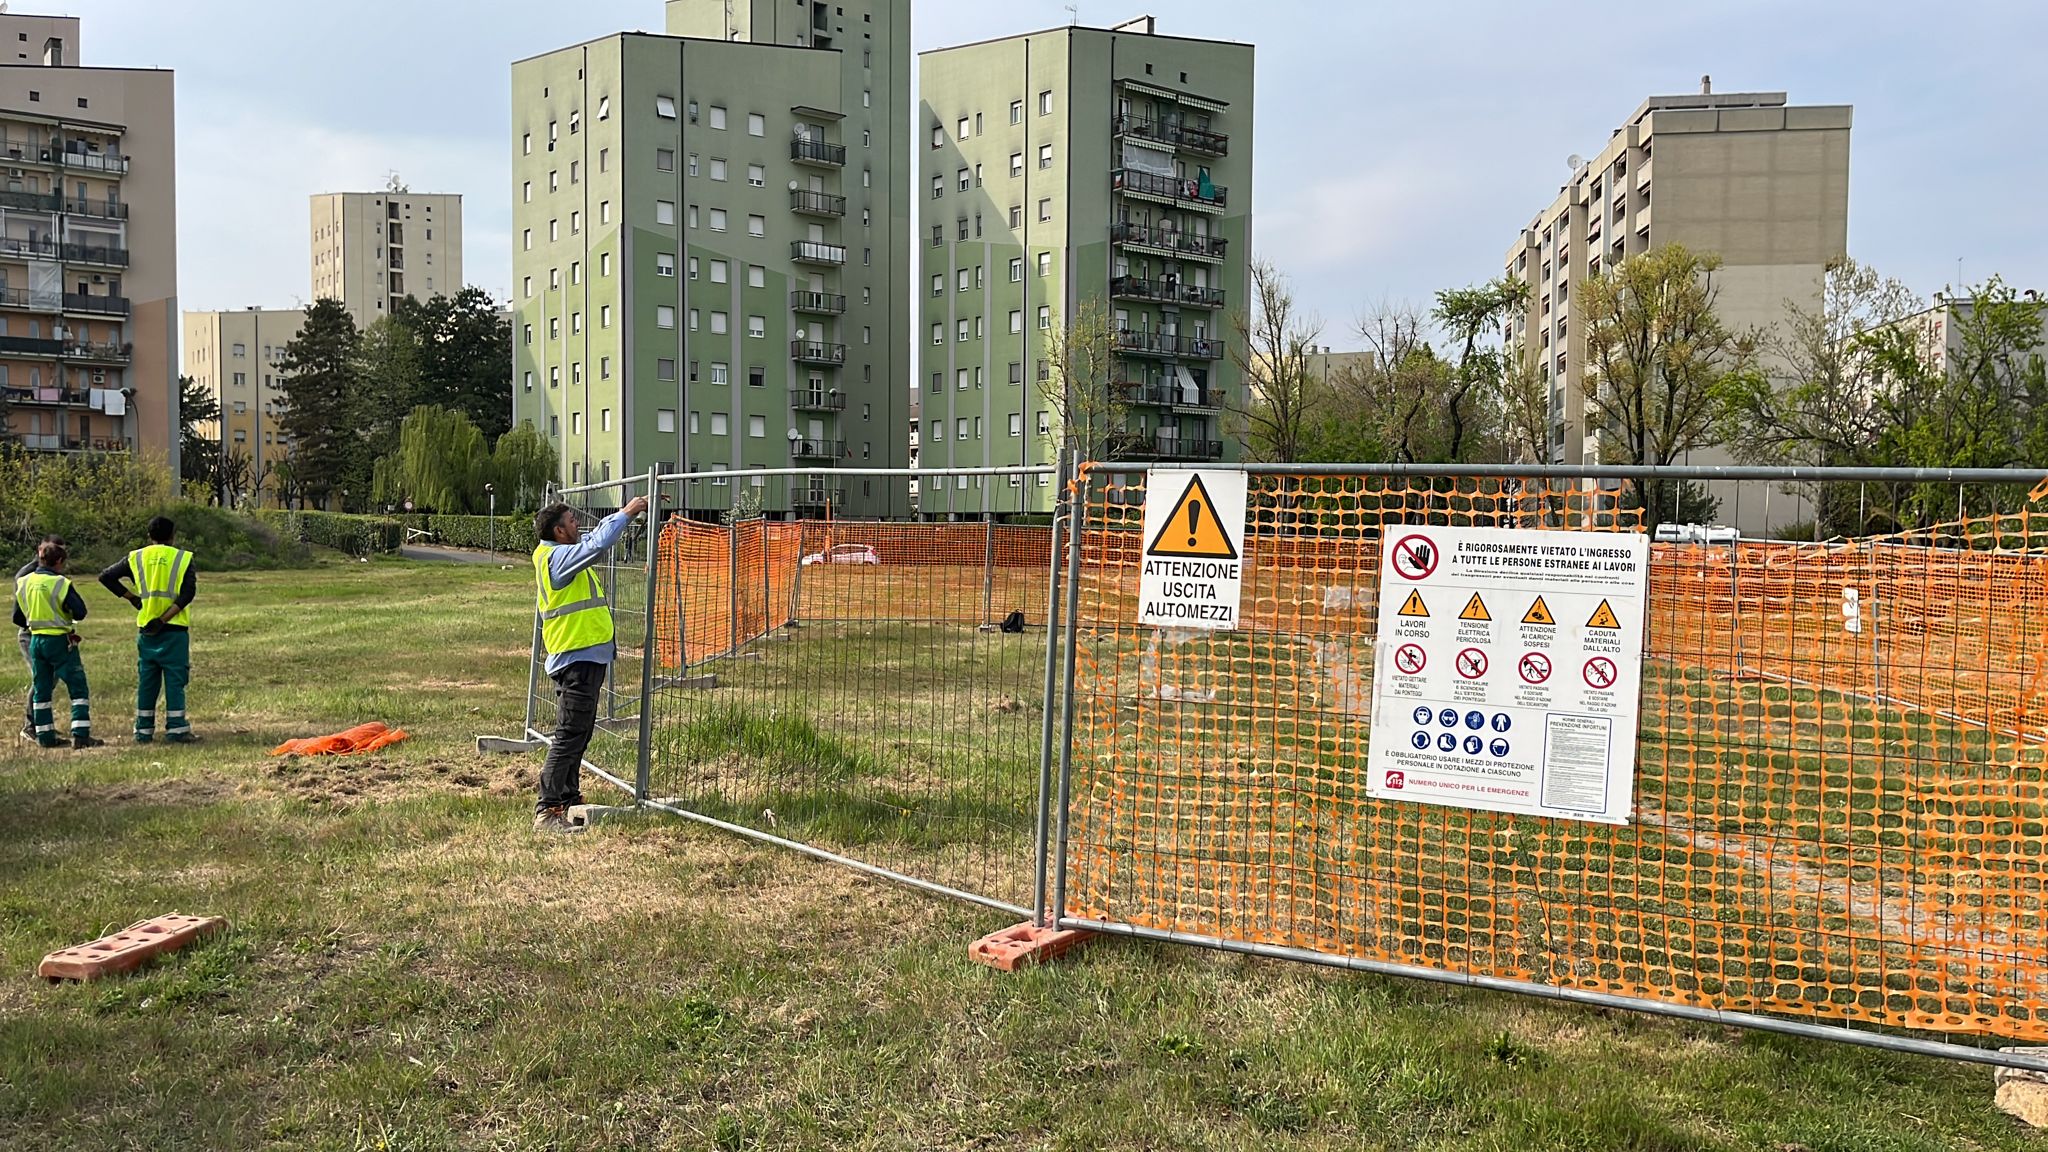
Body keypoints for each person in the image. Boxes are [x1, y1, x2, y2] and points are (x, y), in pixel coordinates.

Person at [530, 495, 648, 833]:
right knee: (569, 734)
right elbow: (597, 544)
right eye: (571, 520)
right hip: (576, 656)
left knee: (578, 732)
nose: (577, 523)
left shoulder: (557, 554)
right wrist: (627, 512)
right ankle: (547, 810)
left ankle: (567, 798)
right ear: (559, 530)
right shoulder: (556, 558)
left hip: (583, 655)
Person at [100, 515, 198, 744]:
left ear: (149, 536)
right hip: (173, 629)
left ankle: (143, 730)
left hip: (146, 629)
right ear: (172, 536)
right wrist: (164, 619)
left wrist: (132, 598)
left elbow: (106, 576)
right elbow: (187, 594)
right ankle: (176, 729)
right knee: (175, 680)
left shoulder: (136, 557)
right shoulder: (182, 558)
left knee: (147, 681)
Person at [12, 540, 100, 749]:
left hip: (35, 639)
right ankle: (81, 735)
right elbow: (80, 612)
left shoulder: (24, 582)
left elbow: (17, 617)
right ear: (59, 561)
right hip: (59, 640)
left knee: (42, 689)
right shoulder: (61, 583)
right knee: (77, 687)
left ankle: (44, 736)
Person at [15, 534, 63, 740]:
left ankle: (41, 722)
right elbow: (19, 613)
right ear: (41, 550)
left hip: (49, 635)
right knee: (42, 678)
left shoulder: (54, 573)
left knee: (50, 678)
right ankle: (30, 726)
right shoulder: (26, 574)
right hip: (31, 635)